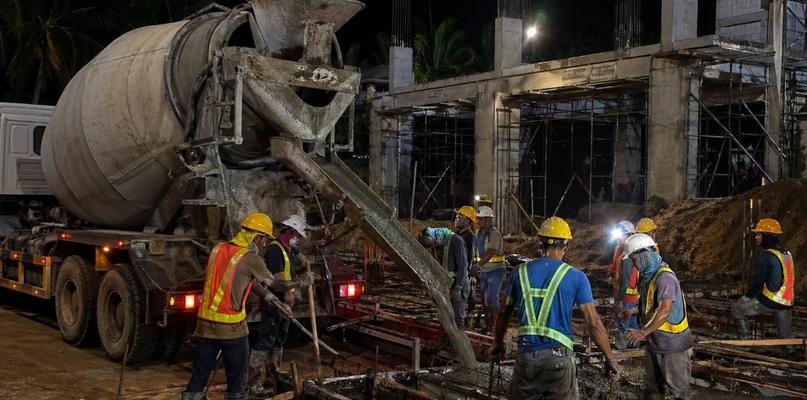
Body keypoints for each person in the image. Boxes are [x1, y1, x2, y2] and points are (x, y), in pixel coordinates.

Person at [183, 212, 315, 400]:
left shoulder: (218, 249)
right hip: (231, 330)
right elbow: (277, 283)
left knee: (199, 375)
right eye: (263, 240)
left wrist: (266, 295)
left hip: (204, 326)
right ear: (256, 236)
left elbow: (240, 278)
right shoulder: (250, 258)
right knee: (237, 380)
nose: (262, 244)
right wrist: (302, 281)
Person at [492, 217, 620, 400]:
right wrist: (610, 357)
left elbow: (504, 312)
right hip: (558, 359)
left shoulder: (518, 272)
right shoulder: (577, 277)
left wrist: (497, 342)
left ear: (540, 243)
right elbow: (594, 323)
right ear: (566, 247)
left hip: (526, 357)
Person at [247, 214, 313, 397]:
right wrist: (287, 297)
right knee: (266, 339)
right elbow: (278, 277)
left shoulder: (285, 249)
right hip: (275, 302)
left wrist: (302, 257)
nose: (298, 240)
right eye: (297, 236)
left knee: (279, 339)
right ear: (290, 231)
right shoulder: (275, 250)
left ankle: (273, 374)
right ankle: (252, 384)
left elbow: (296, 256)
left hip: (283, 303)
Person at [623, 234, 693, 400]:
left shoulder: (665, 278)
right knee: (653, 389)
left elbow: (664, 310)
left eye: (634, 261)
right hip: (655, 342)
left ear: (645, 255)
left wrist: (642, 332)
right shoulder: (650, 277)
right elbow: (651, 305)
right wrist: (633, 311)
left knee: (680, 393)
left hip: (673, 346)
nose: (634, 266)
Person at [731, 218, 794, 340]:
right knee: (785, 336)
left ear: (766, 236)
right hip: (787, 302)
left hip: (771, 300)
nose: (756, 238)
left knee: (736, 309)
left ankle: (745, 344)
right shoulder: (786, 253)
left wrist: (747, 297)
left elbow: (759, 281)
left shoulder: (766, 255)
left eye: (758, 235)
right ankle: (790, 352)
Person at [419, 227, 470, 330]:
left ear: (435, 237)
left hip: (458, 285)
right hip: (446, 287)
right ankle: (445, 342)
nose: (433, 247)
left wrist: (458, 288)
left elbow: (463, 267)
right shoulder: (438, 244)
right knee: (445, 319)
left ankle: (459, 343)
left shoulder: (456, 241)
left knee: (457, 320)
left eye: (433, 243)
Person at [472, 205, 506, 333]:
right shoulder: (477, 234)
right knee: (485, 300)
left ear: (489, 220)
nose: (478, 221)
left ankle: (496, 327)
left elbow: (490, 252)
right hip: (483, 272)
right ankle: (488, 325)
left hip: (496, 271)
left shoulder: (494, 233)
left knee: (492, 297)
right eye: (478, 218)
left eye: (481, 219)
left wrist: (477, 266)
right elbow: (475, 253)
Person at [608, 221, 640, 349]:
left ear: (629, 235)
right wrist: (609, 274)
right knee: (631, 325)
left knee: (623, 325)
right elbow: (614, 265)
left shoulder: (628, 253)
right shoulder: (620, 249)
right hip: (625, 296)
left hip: (626, 297)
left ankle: (623, 353)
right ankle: (634, 351)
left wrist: (620, 300)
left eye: (620, 235)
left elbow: (626, 278)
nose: (618, 238)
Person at [454, 206, 477, 326]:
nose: (456, 219)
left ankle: (467, 321)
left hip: (463, 274)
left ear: (467, 221)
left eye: (459, 218)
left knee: (464, 299)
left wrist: (467, 274)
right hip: (455, 272)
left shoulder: (470, 237)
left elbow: (469, 257)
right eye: (456, 217)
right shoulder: (456, 234)